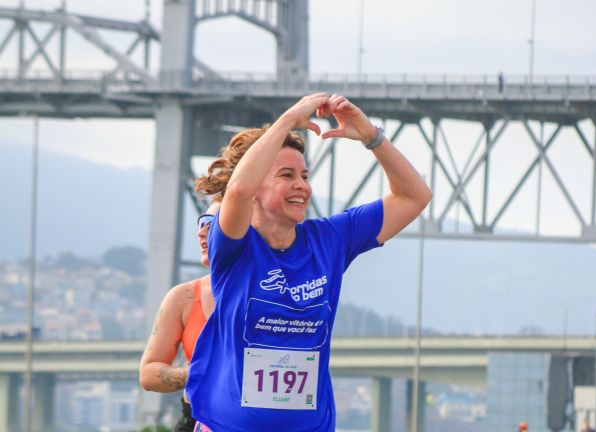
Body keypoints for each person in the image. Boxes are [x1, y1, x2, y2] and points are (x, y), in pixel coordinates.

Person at [186, 93, 432, 432]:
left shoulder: (330, 239)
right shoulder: (233, 244)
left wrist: (372, 138)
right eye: (286, 175)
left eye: (304, 175)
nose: (301, 185)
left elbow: (414, 196)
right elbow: (239, 190)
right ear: (258, 185)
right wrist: (287, 120)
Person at [139, 201, 219, 432]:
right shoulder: (183, 297)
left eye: (213, 224)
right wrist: (197, 373)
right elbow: (148, 374)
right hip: (196, 420)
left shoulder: (276, 292)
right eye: (201, 222)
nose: (201, 232)